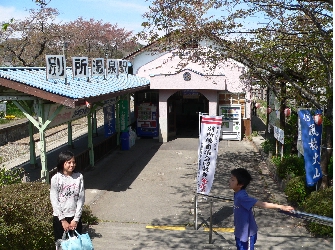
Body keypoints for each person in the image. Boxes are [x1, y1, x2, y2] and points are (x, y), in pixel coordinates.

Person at [229, 168, 294, 250]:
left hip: (247, 234)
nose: (229, 181)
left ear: (240, 184)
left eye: (232, 180)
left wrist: (281, 206)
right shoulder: (237, 193)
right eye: (230, 178)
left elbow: (261, 204)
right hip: (240, 232)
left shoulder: (242, 197)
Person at [50, 150, 85, 244]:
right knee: (62, 245)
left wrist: (76, 219)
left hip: (74, 217)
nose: (72, 165)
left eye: (73, 162)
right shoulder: (56, 178)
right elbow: (54, 200)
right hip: (60, 218)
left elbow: (81, 199)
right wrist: (62, 220)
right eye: (69, 162)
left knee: (76, 245)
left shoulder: (79, 177)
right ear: (62, 163)